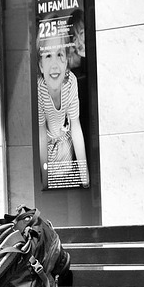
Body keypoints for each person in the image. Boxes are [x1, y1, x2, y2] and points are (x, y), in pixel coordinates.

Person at [37, 37, 89, 188]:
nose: (54, 64)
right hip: (47, 154)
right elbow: (41, 134)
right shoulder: (39, 89)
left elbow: (76, 127)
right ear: (41, 66)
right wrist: (45, 181)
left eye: (60, 54)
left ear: (66, 61)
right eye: (48, 56)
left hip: (67, 151)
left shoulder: (71, 82)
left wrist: (84, 177)